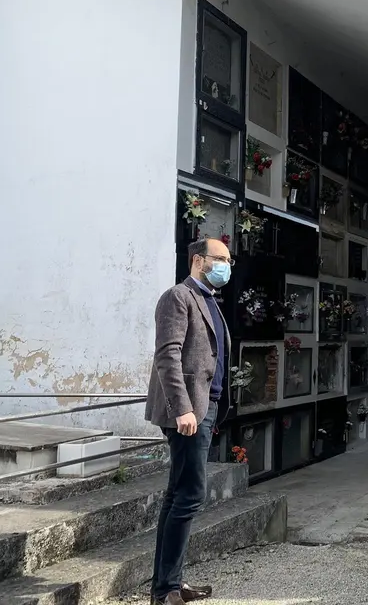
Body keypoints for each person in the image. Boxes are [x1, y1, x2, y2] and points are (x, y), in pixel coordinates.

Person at [145, 238, 233, 605]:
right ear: (199, 260)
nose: (227, 265)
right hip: (189, 412)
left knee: (177, 494)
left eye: (229, 260)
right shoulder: (177, 297)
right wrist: (183, 408)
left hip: (206, 407)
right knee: (191, 494)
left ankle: (167, 586)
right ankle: (166, 589)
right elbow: (168, 355)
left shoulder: (209, 299)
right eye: (221, 259)